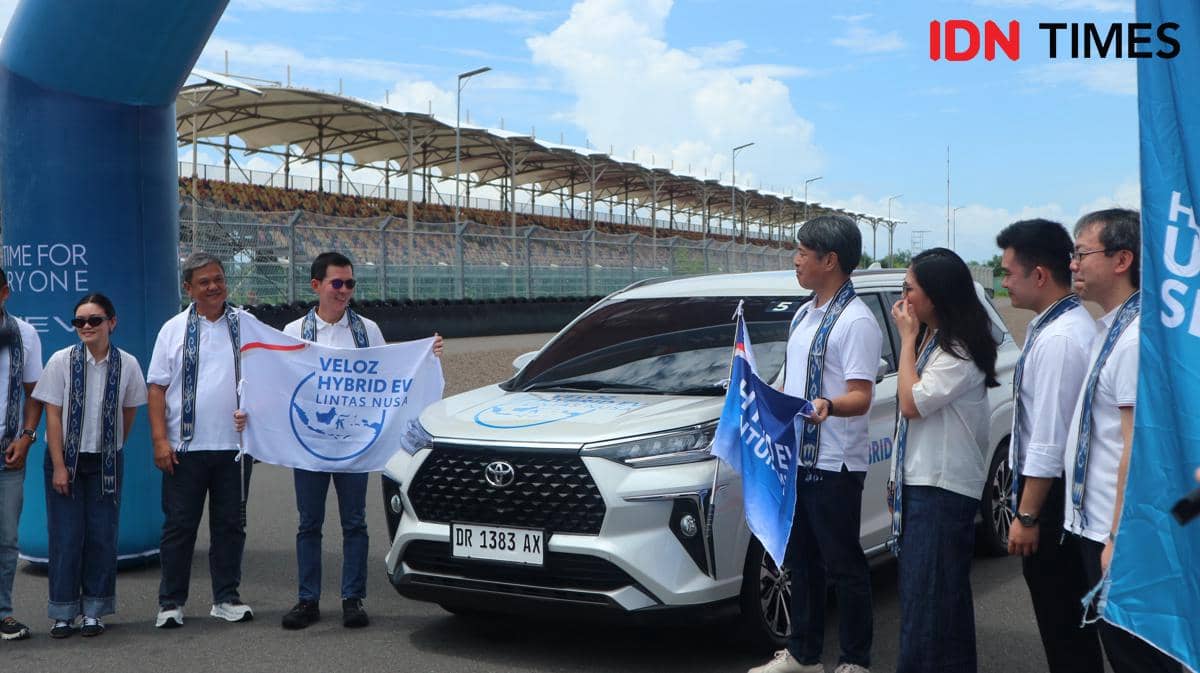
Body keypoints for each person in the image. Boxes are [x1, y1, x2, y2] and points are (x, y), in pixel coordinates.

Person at [279, 252, 442, 630]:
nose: (345, 290)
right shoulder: (292, 331)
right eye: (337, 283)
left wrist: (426, 356)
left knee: (355, 523)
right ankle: (307, 599)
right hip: (310, 446)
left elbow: (389, 376)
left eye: (350, 284)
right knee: (309, 523)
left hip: (354, 445)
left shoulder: (366, 330)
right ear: (316, 285)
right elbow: (278, 384)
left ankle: (353, 598)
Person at [750, 215, 882, 673]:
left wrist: (828, 404)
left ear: (830, 260)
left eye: (804, 252)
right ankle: (803, 656)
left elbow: (861, 396)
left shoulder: (857, 321)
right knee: (800, 562)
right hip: (797, 458)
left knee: (844, 565)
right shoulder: (804, 314)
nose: (796, 259)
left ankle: (854, 661)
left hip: (834, 463)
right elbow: (790, 381)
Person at [1061, 209, 1182, 673]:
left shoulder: (1134, 339)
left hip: (1120, 534)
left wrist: (1117, 536)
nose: (1072, 263)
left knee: (1138, 655)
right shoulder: (1109, 328)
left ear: (1121, 259)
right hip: (1096, 527)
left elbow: (1137, 446)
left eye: (1081, 253)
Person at [995, 220, 1103, 672]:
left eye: (1008, 273)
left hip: (1053, 499)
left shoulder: (1060, 339)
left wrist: (1026, 514)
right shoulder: (1058, 325)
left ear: (1039, 275)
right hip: (1057, 496)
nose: (1003, 282)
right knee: (1067, 626)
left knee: (1062, 624)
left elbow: (1048, 440)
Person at [889, 247, 999, 673]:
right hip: (927, 483)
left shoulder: (959, 349)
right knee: (939, 606)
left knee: (928, 607)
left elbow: (911, 402)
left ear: (934, 295)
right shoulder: (938, 339)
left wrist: (904, 339)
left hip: (942, 489)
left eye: (909, 288)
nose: (904, 298)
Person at [148, 252, 258, 629]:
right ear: (188, 288)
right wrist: (160, 440)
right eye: (204, 282)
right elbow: (157, 389)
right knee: (179, 527)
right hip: (184, 449)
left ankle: (226, 597)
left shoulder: (247, 324)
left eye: (218, 279)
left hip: (234, 448)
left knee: (230, 525)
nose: (213, 286)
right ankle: (171, 602)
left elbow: (276, 370)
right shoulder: (172, 329)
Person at [33, 293, 147, 638]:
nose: (86, 326)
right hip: (65, 458)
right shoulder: (61, 361)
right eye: (79, 321)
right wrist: (59, 465)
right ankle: (63, 612)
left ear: (111, 323)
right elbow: (51, 415)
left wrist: (113, 446)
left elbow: (130, 410)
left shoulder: (127, 364)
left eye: (94, 320)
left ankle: (95, 610)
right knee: (66, 538)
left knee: (102, 536)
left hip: (105, 462)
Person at [0, 267, 43, 641]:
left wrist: (27, 437)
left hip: (7, 451)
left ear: (5, 293)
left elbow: (34, 393)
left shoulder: (24, 335)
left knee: (7, 538)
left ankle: (3, 614)